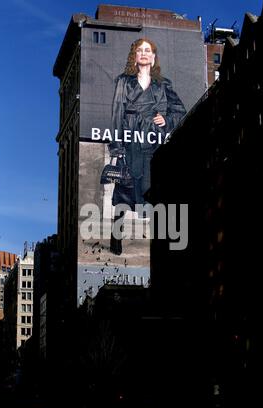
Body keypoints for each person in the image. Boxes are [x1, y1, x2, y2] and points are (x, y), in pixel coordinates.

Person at [108, 38, 186, 255]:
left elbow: (180, 111)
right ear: (135, 55)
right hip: (131, 143)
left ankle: (161, 247)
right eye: (140, 50)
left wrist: (167, 120)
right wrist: (117, 148)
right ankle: (116, 239)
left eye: (148, 50)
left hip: (154, 144)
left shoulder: (163, 84)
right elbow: (116, 114)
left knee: (154, 193)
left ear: (153, 57)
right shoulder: (123, 82)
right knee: (124, 193)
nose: (144, 53)